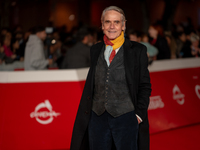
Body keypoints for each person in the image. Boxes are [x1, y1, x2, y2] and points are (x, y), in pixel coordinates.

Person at [70, 6, 151, 150]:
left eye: (116, 22)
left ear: (123, 25)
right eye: (108, 22)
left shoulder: (138, 50)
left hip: (126, 117)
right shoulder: (95, 49)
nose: (112, 26)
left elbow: (144, 86)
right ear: (102, 25)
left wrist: (138, 115)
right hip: (97, 118)